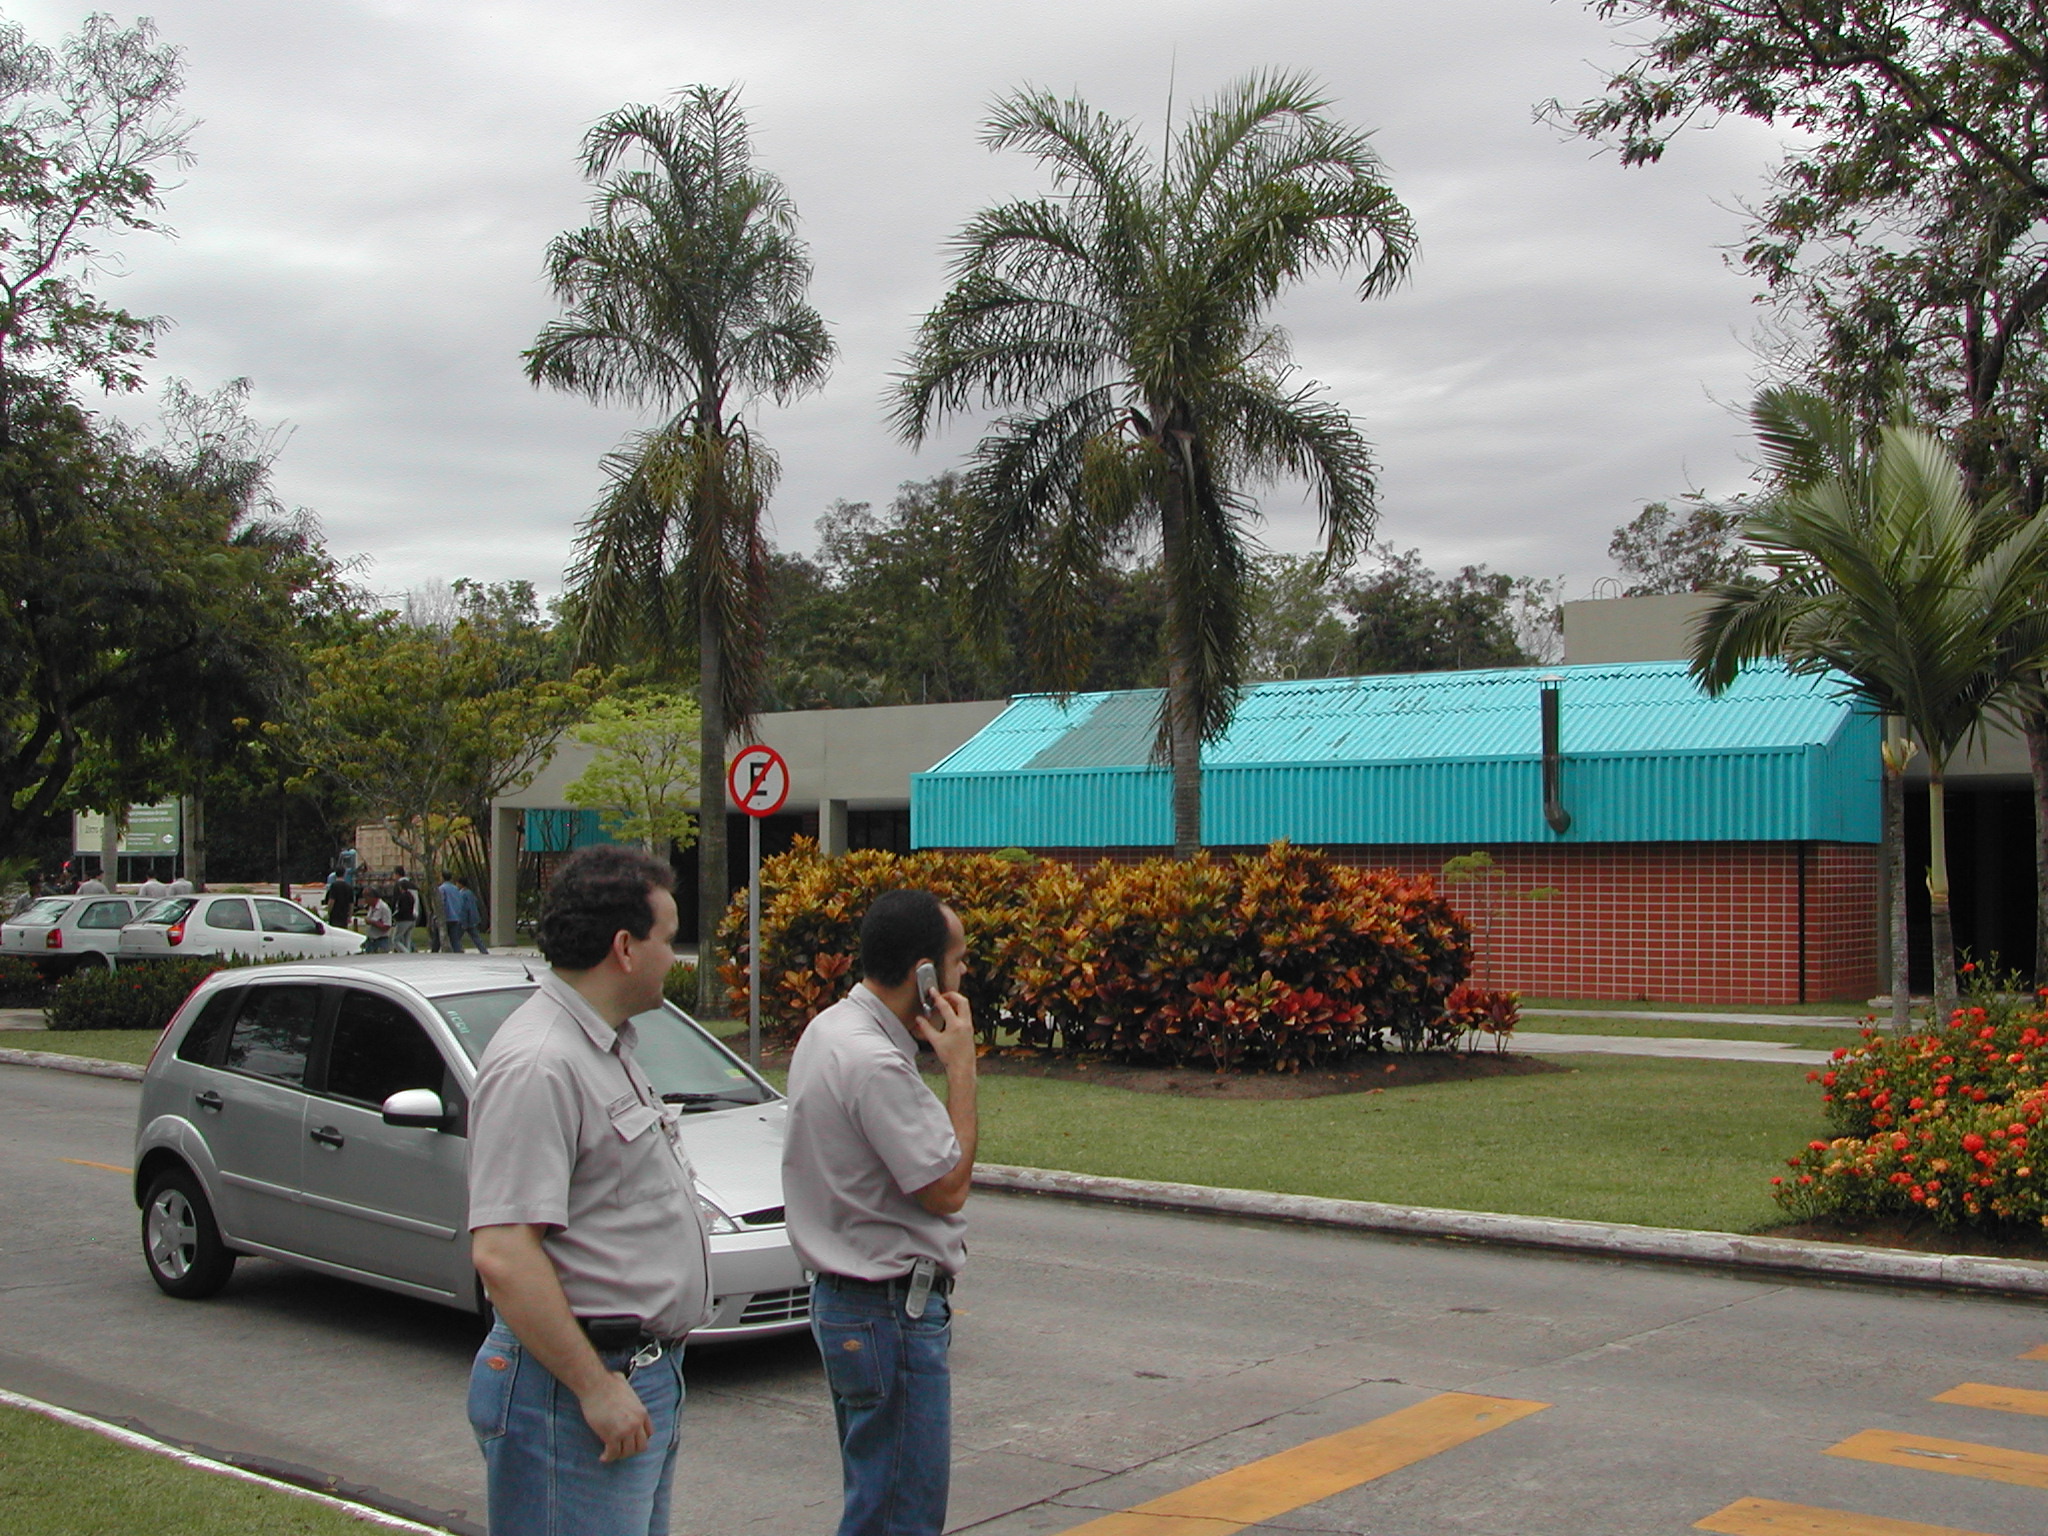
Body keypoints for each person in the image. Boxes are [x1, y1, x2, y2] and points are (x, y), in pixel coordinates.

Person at [465, 845, 713, 1536]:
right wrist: (594, 1387)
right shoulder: (541, 1063)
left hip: (635, 1376)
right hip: (570, 1395)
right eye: (668, 940)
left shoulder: (603, 1045)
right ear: (625, 948)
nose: (677, 957)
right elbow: (505, 1255)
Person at [782, 888, 979, 1536]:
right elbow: (946, 1187)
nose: (965, 975)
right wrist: (962, 1070)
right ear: (925, 974)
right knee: (899, 1515)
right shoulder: (873, 1061)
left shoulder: (831, 1029)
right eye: (958, 961)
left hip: (852, 1305)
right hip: (887, 1314)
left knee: (877, 1501)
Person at [441, 874, 489, 953]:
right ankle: (483, 950)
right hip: (471, 920)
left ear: (460, 884)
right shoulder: (470, 893)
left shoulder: (462, 894)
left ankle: (458, 950)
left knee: (455, 937)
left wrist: (462, 920)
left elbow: (464, 908)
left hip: (464, 920)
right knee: (475, 937)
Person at [390, 870, 419, 953]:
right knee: (407, 939)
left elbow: (400, 908)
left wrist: (395, 916)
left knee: (396, 940)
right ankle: (408, 951)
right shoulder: (411, 895)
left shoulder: (402, 897)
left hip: (404, 919)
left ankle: (407, 953)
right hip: (412, 918)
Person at [361, 887, 394, 952]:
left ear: (372, 897)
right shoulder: (371, 907)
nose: (365, 900)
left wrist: (372, 922)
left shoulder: (384, 908)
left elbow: (387, 926)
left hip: (381, 941)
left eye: (366, 898)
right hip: (370, 941)